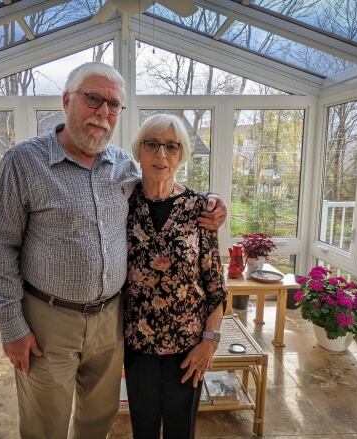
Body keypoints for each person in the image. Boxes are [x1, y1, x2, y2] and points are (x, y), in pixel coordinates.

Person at [0, 63, 227, 438]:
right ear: (67, 100)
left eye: (113, 105)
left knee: (98, 418)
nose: (103, 112)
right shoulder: (25, 162)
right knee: (45, 424)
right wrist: (12, 328)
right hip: (48, 321)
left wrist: (211, 202)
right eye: (93, 98)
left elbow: (163, 182)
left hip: (110, 323)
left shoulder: (122, 167)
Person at [123, 114, 227, 439]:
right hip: (137, 347)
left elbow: (215, 285)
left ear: (182, 155)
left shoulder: (200, 209)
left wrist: (209, 342)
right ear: (138, 151)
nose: (161, 155)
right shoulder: (122, 202)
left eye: (172, 146)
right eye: (152, 144)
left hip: (188, 348)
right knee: (143, 429)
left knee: (182, 431)